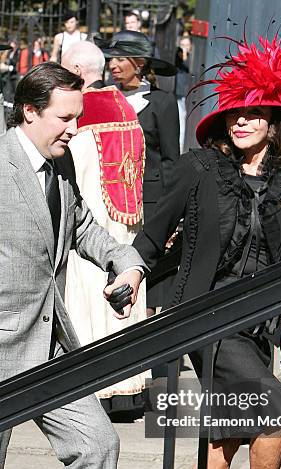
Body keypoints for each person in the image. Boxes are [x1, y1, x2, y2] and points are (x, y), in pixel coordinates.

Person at [132, 34, 281, 469]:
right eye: (233, 114)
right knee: (275, 410)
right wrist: (132, 271)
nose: (239, 122)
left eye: (253, 115)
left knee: (226, 442)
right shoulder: (200, 170)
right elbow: (156, 228)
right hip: (205, 316)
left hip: (261, 324)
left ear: (274, 124)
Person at [0, 62, 151, 469]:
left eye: (78, 117)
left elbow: (85, 225)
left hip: (50, 344)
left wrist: (126, 263)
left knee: (97, 443)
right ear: (30, 111)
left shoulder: (57, 167)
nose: (74, 129)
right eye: (64, 118)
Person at [61, 41, 149, 419]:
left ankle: (94, 386)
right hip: (126, 225)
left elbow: (74, 174)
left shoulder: (83, 114)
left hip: (93, 225)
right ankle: (128, 386)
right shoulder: (124, 106)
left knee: (89, 300)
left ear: (78, 72)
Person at [100, 30, 180, 315]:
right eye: (111, 59)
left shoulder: (162, 102)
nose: (113, 65)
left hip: (151, 205)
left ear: (141, 63)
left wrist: (170, 216)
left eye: (120, 58)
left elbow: (171, 160)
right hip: (112, 203)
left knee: (149, 287)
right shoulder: (104, 99)